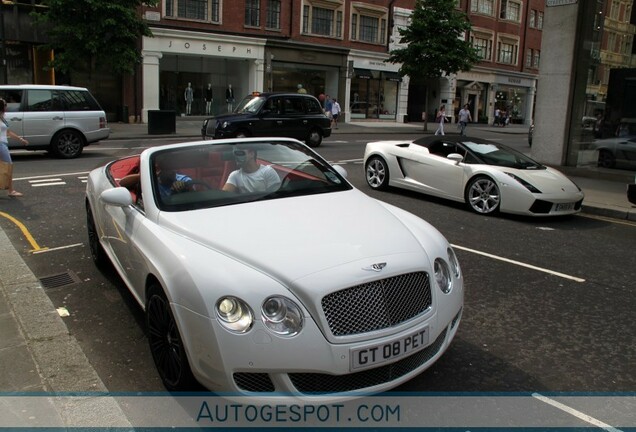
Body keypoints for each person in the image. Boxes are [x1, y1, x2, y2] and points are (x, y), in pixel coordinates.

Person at [0, 98, 29, 197]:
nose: (6, 107)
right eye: (5, 106)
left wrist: (21, 139)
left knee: (6, 167)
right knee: (9, 166)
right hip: (0, 144)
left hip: (3, 144)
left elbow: (8, 132)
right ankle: (10, 190)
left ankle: (9, 189)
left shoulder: (2, 118)